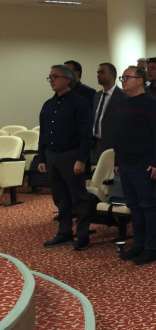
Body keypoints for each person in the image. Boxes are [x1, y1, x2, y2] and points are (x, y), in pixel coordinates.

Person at [114, 66, 156, 265]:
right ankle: (139, 245)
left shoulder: (150, 104)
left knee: (148, 206)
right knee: (134, 207)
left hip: (143, 164)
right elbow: (119, 136)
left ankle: (151, 249)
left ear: (140, 80)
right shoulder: (123, 104)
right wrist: (117, 161)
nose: (123, 80)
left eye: (127, 77)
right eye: (122, 77)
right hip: (125, 164)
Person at [38, 65, 93, 250]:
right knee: (60, 197)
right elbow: (43, 134)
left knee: (79, 198)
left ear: (68, 79)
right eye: (50, 77)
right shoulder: (48, 105)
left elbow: (86, 134)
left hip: (71, 155)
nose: (51, 80)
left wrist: (82, 159)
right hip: (52, 155)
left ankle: (83, 236)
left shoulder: (80, 103)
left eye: (55, 77)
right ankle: (64, 233)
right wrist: (41, 158)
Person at [92, 63, 126, 163]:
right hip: (95, 144)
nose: (98, 75)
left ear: (112, 75)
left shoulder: (122, 96)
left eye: (102, 72)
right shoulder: (97, 95)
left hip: (112, 145)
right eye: (98, 72)